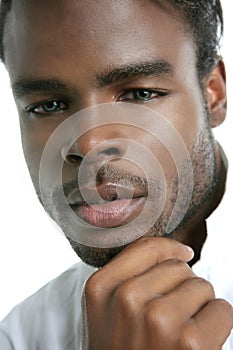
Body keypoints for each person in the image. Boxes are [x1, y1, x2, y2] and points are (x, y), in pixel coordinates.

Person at [0, 0, 232, 349]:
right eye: (48, 105)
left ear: (212, 94)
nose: (88, 143)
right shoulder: (21, 337)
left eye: (139, 94)